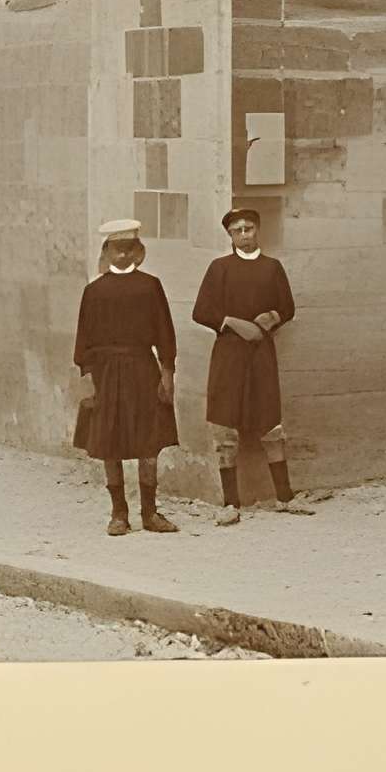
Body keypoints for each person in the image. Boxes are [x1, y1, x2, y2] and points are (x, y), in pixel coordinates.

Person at [191, 207, 314, 525]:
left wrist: (269, 320)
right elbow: (201, 311)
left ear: (258, 231)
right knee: (226, 423)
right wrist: (232, 323)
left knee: (269, 421)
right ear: (229, 236)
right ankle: (230, 503)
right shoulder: (219, 269)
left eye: (248, 229)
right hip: (229, 354)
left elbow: (287, 307)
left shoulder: (272, 268)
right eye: (237, 231)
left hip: (260, 353)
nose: (244, 235)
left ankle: (284, 497)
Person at [73, 218, 179, 536]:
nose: (122, 256)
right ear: (106, 252)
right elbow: (84, 338)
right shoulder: (94, 291)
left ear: (138, 252)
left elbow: (165, 331)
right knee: (110, 441)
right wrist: (87, 376)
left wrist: (167, 371)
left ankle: (150, 512)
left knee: (149, 441)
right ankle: (119, 513)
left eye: (128, 249)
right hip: (106, 373)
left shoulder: (150, 286)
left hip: (143, 369)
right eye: (116, 249)